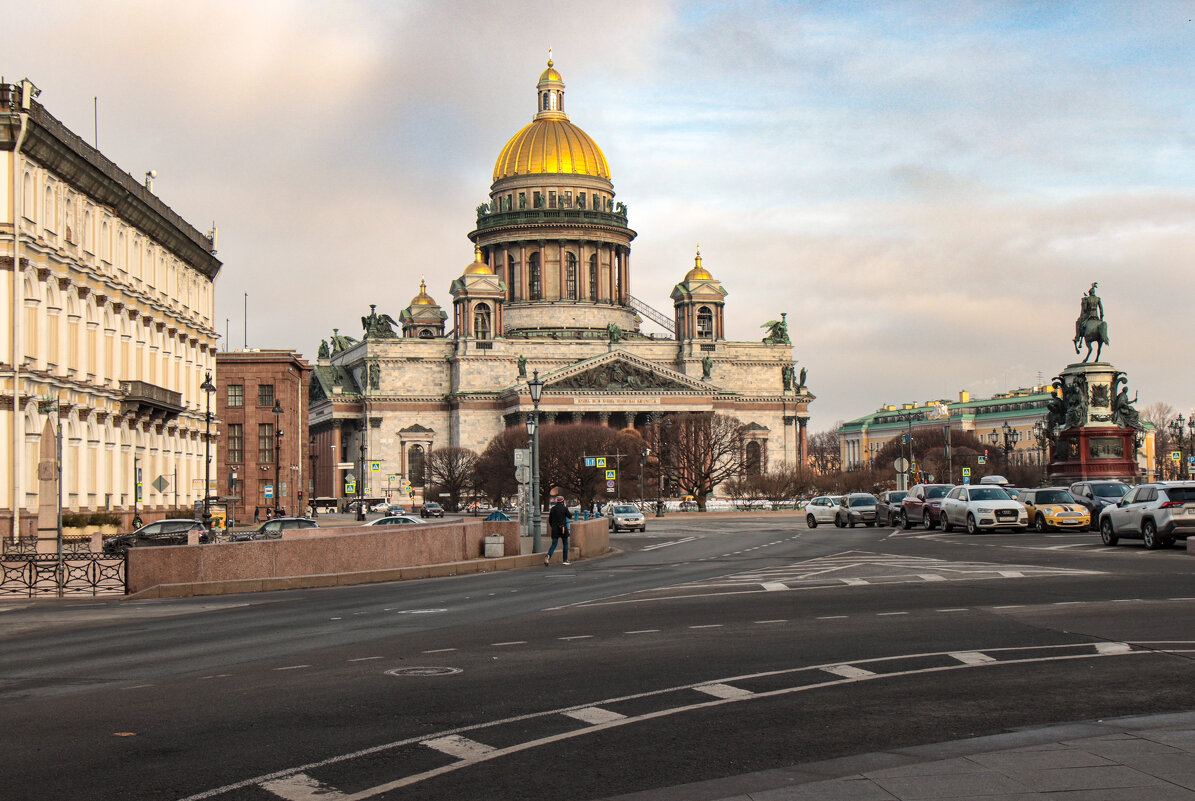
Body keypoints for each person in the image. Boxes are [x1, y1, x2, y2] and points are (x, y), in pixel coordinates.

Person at [545, 496, 573, 566]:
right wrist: (566, 508)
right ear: (563, 501)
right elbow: (570, 516)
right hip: (562, 528)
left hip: (555, 529)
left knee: (554, 544)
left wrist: (553, 526)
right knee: (565, 543)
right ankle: (565, 560)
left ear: (556, 501)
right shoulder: (564, 508)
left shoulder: (553, 509)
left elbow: (550, 520)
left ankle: (548, 555)